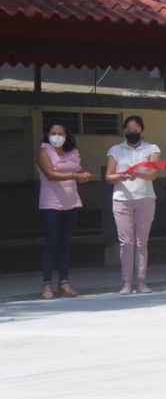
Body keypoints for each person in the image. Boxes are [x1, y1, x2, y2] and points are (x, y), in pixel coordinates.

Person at [36, 123, 92, 299]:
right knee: (51, 242)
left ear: (67, 136)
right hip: (51, 204)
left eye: (60, 133)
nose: (56, 136)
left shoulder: (72, 153)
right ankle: (46, 284)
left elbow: (78, 170)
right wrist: (75, 176)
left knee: (65, 243)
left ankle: (64, 282)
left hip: (71, 203)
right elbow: (50, 174)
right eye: (53, 133)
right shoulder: (44, 151)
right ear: (47, 135)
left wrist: (83, 176)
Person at [105, 115, 160, 294]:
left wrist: (138, 174)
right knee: (126, 243)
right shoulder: (115, 150)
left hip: (145, 198)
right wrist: (121, 176)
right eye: (128, 130)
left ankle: (142, 282)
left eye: (135, 130)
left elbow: (153, 174)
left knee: (141, 242)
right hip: (121, 199)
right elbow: (109, 176)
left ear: (142, 132)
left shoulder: (152, 148)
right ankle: (126, 282)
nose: (132, 133)